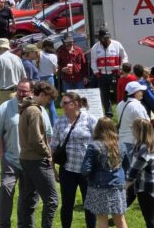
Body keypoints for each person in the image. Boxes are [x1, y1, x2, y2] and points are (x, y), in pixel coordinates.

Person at [0, 79, 50, 228]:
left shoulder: (40, 110)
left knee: (29, 195)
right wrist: (1, 156)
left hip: (31, 161)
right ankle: (4, 224)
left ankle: (25, 225)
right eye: (19, 90)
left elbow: (48, 134)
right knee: (6, 188)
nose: (21, 94)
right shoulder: (5, 108)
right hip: (11, 159)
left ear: (31, 92)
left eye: (24, 91)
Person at [51, 91, 98, 228]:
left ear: (75, 104)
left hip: (87, 171)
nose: (62, 106)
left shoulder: (90, 119)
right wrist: (52, 167)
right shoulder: (60, 122)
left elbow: (100, 142)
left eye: (65, 103)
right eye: (62, 103)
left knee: (89, 205)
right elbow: (53, 146)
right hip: (67, 170)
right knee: (67, 204)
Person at [17, 80, 59, 228]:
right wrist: (48, 153)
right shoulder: (34, 110)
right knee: (52, 200)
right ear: (42, 94)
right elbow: (36, 139)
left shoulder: (26, 107)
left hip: (26, 158)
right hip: (36, 159)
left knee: (28, 198)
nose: (49, 102)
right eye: (48, 98)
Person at [81, 118, 128, 228]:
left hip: (98, 187)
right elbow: (126, 166)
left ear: (97, 129)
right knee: (120, 219)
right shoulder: (121, 145)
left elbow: (85, 170)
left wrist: (89, 178)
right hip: (117, 186)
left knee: (102, 219)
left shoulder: (93, 146)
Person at [90, 28, 128, 117]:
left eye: (108, 37)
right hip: (102, 74)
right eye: (104, 38)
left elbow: (124, 57)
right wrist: (96, 72)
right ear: (99, 38)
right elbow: (93, 61)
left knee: (119, 93)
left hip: (116, 74)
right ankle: (109, 113)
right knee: (104, 94)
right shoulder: (95, 47)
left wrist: (122, 68)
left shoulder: (117, 45)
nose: (107, 39)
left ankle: (122, 111)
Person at [126, 118, 154, 228]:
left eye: (133, 128)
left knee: (150, 220)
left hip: (146, 189)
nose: (132, 130)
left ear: (139, 131)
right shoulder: (148, 145)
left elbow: (133, 172)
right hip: (148, 187)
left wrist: (123, 188)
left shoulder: (144, 148)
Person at [0, 38, 27, 109]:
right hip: (17, 93)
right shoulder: (17, 58)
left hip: (3, 94)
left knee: (2, 117)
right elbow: (24, 78)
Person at [117, 81, 151, 163]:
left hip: (122, 141)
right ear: (135, 93)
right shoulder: (137, 106)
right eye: (140, 91)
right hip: (134, 142)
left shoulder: (120, 104)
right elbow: (146, 123)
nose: (142, 93)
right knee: (137, 171)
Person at [37, 40, 59, 125]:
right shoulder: (54, 56)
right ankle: (54, 124)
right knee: (51, 103)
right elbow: (55, 71)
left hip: (40, 78)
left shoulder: (39, 54)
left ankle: (41, 123)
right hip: (50, 78)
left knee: (39, 101)